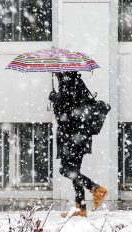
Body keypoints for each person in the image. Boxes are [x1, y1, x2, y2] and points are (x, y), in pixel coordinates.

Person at [49, 71, 107, 217]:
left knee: (65, 169)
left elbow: (69, 110)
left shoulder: (68, 83)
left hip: (73, 136)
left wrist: (55, 98)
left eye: (56, 71)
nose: (54, 73)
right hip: (78, 135)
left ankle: (96, 189)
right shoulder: (75, 82)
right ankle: (80, 208)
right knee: (75, 170)